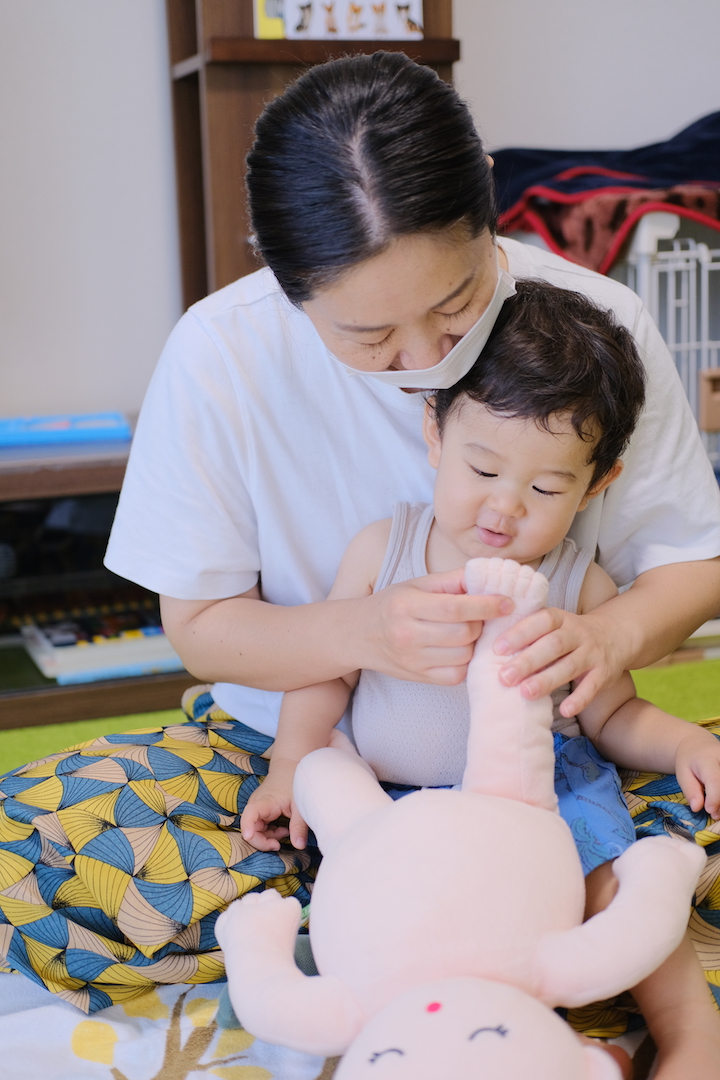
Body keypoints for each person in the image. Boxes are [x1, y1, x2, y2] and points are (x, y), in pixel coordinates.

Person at [1, 51, 719, 1032]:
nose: (425, 360)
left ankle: (411, 956)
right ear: (285, 278)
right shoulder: (221, 355)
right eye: (371, 336)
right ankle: (473, 961)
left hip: (546, 770)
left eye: (458, 304)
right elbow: (205, 629)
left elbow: (692, 563)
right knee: (32, 844)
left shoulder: (594, 332)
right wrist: (364, 638)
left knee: (653, 848)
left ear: (489, 222)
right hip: (301, 751)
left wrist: (612, 640)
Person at [239, 280, 720, 1079]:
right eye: (482, 468)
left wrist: (681, 746)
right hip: (387, 800)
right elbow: (326, 670)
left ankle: (689, 1032)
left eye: (544, 489)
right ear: (434, 432)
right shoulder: (382, 551)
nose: (503, 508)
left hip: (542, 801)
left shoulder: (577, 586)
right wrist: (292, 760)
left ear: (597, 484)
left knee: (603, 874)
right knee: (380, 921)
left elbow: (613, 715)